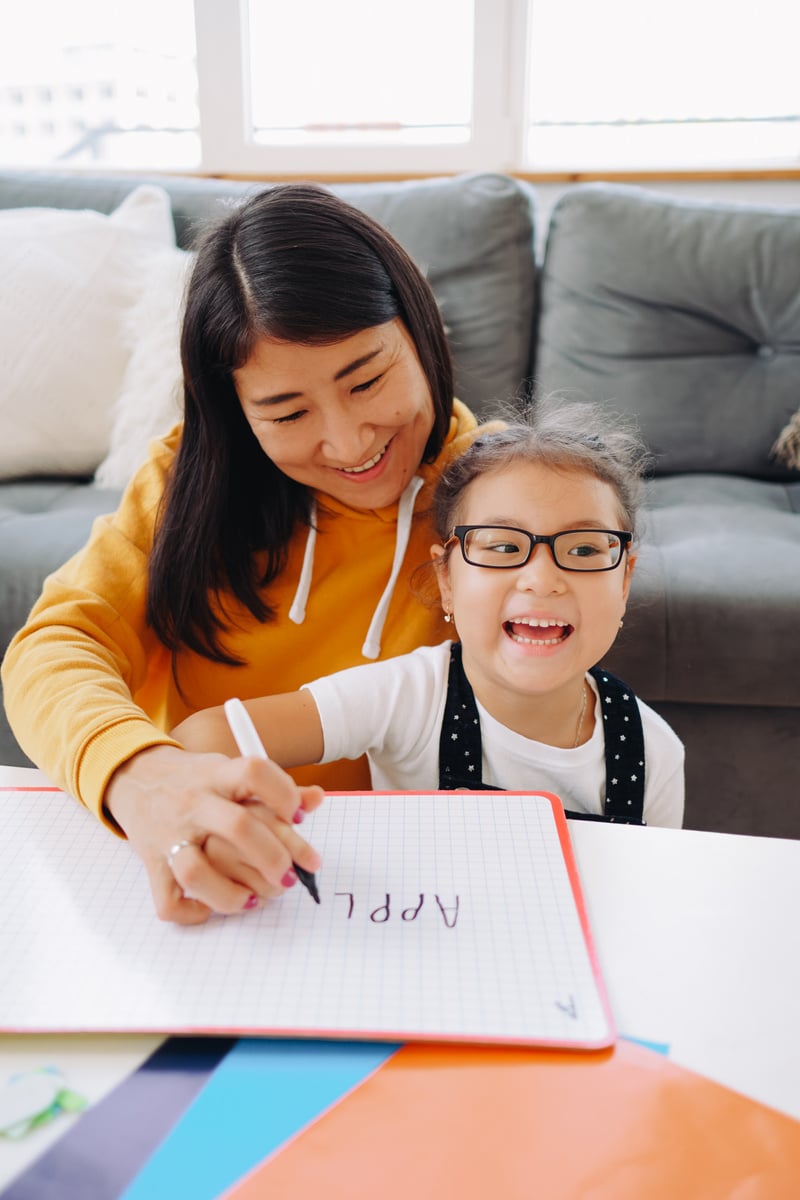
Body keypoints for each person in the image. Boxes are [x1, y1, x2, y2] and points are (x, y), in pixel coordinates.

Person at [1, 183, 494, 925]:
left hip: (411, 885)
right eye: (287, 412)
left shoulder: (501, 495)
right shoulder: (188, 484)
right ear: (236, 414)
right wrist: (143, 776)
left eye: (367, 380)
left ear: (422, 334)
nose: (349, 440)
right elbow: (57, 643)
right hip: (208, 870)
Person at [174, 405, 685, 830]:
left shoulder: (654, 751)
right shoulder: (409, 696)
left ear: (623, 581)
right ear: (447, 580)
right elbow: (204, 737)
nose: (542, 578)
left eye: (584, 549)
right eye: (503, 546)